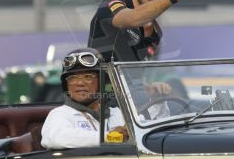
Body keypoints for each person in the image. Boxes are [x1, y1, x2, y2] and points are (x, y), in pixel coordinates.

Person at [41, 47, 171, 149]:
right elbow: (55, 138)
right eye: (73, 78)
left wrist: (158, 102)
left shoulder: (115, 113)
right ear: (66, 84)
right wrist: (110, 137)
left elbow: (146, 128)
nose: (79, 83)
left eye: (88, 77)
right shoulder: (60, 114)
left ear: (102, 82)